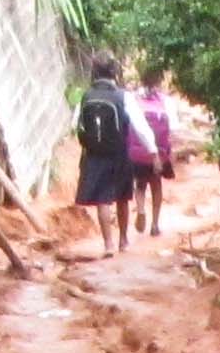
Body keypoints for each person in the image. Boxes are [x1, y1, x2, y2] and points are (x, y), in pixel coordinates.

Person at [73, 53, 140, 257]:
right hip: (119, 153)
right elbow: (139, 126)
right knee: (122, 198)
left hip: (94, 154)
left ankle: (108, 244)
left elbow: (76, 125)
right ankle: (123, 240)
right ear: (114, 71)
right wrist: (153, 151)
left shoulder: (86, 96)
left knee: (103, 200)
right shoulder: (123, 96)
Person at [131, 71, 180, 236]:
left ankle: (140, 210)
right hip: (159, 151)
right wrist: (171, 152)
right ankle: (155, 224)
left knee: (139, 185)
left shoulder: (134, 98)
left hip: (139, 151)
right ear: (159, 81)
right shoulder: (166, 101)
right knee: (156, 185)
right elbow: (173, 129)